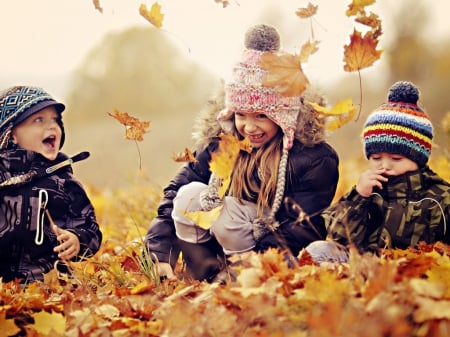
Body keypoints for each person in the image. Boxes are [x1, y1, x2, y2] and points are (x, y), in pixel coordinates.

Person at [145, 24, 339, 282]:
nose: (249, 127)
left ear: (284, 117)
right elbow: (174, 194)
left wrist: (252, 269)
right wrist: (160, 253)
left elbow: (301, 228)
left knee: (230, 216)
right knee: (188, 195)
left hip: (274, 256)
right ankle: (206, 273)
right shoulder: (223, 144)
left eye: (261, 116)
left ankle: (241, 277)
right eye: (240, 115)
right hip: (221, 253)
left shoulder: (312, 158)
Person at [305, 81, 450, 264]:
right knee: (319, 250)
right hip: (364, 267)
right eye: (376, 158)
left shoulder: (439, 196)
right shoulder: (368, 190)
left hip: (414, 272)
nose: (385, 165)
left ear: (418, 159)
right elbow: (338, 236)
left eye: (396, 159)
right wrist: (359, 197)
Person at [0, 85, 102, 283]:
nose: (52, 126)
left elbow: (90, 227)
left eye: (55, 120)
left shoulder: (63, 182)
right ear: (11, 134)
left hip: (49, 283)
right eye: (38, 120)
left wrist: (77, 240)